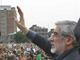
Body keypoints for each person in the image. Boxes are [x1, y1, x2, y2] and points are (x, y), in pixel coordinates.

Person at [12, 6, 80, 60]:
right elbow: (45, 44)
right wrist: (24, 29)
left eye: (55, 35)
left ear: (69, 40)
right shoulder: (66, 52)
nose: (50, 39)